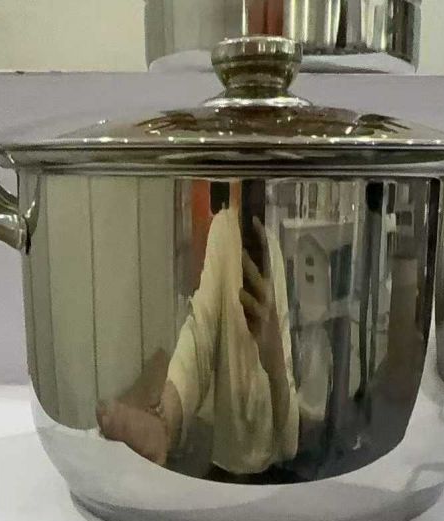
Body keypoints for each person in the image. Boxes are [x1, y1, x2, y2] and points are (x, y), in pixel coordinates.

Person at [97, 181, 300, 477]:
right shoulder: (224, 230)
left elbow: (290, 444)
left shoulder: (274, 254)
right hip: (226, 464)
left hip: (273, 467)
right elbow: (200, 334)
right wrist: (165, 421)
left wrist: (275, 360)